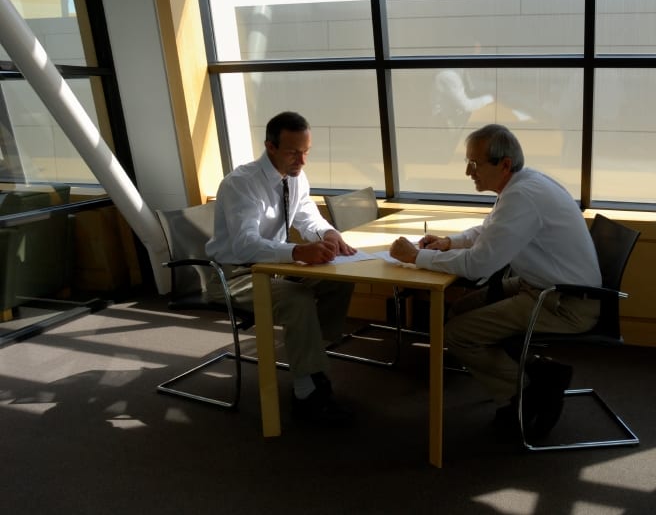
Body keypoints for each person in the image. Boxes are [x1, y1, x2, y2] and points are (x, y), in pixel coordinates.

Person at [389, 123, 602, 439]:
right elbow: (489, 231)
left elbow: (479, 264)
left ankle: (528, 391)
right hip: (546, 287)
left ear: (503, 164)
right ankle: (539, 371)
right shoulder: (523, 184)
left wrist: (415, 257)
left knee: (458, 335)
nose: (467, 171)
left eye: (474, 163)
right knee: (461, 309)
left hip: (565, 303)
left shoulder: (523, 196)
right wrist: (450, 242)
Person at [205, 111, 357, 426]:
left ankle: (313, 361)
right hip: (234, 275)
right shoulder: (242, 184)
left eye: (306, 152)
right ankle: (307, 394)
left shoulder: (295, 176)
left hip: (270, 269)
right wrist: (299, 251)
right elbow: (246, 245)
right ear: (270, 147)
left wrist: (329, 234)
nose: (301, 161)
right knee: (297, 298)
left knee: (340, 279)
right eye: (293, 152)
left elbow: (307, 216)